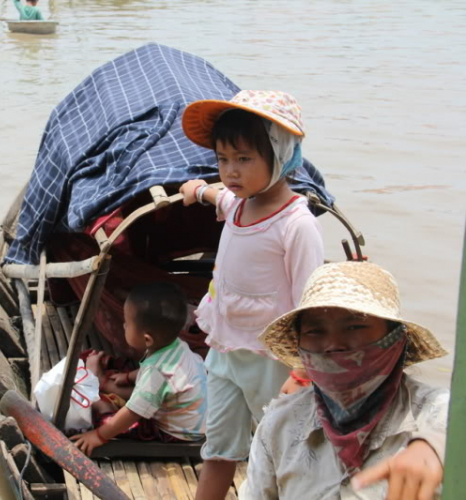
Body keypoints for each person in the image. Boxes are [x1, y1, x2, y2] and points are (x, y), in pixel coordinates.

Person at [178, 90, 324, 499]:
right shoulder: (239, 204)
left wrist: (302, 371)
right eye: (223, 160)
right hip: (226, 350)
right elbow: (219, 196)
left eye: (244, 159)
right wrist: (198, 189)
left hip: (273, 361)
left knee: (282, 451)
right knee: (218, 449)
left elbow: (311, 305)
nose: (230, 172)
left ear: (280, 157)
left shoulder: (296, 225)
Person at [242, 261, 449, 499]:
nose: (333, 345)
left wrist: (439, 446)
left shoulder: (435, 414)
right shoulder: (279, 426)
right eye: (315, 331)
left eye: (354, 326)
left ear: (395, 340)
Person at [70, 282, 207, 456]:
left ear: (147, 339)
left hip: (176, 433)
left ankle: (103, 405)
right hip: (190, 415)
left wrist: (98, 436)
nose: (124, 326)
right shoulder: (177, 346)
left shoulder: (156, 373)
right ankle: (106, 384)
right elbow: (156, 380)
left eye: (127, 323)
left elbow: (132, 413)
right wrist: (127, 377)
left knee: (111, 421)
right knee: (139, 384)